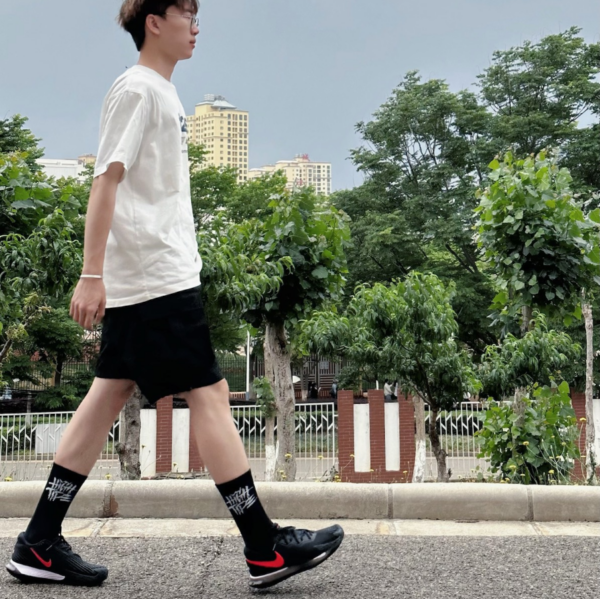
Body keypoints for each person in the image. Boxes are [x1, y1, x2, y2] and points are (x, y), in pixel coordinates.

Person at [5, 0, 344, 589]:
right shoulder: (138, 90)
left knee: (107, 395)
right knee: (211, 394)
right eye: (185, 12)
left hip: (154, 275)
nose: (196, 25)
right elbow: (105, 180)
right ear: (153, 23)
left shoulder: (161, 92)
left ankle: (38, 541)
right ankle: (263, 545)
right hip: (154, 278)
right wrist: (91, 274)